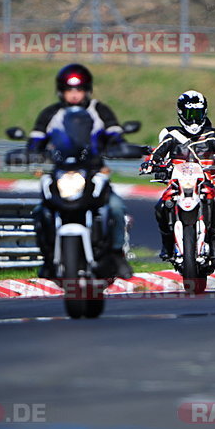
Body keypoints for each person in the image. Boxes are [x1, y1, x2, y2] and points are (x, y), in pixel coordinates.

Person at [29, 63, 132, 279]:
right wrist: (29, 154)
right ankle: (48, 258)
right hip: (61, 172)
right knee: (41, 211)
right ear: (61, 91)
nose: (74, 95)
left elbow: (115, 135)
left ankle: (116, 255)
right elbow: (35, 140)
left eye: (79, 89)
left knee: (115, 207)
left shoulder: (99, 110)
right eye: (69, 90)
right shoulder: (51, 113)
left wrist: (119, 146)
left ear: (87, 90)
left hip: (94, 172)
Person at [140, 90, 215, 263]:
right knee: (160, 207)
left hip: (205, 182)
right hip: (177, 184)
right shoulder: (171, 135)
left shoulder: (213, 135)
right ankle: (167, 246)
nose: (194, 119)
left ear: (205, 113)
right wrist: (150, 163)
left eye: (198, 114)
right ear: (181, 114)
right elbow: (158, 153)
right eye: (189, 114)